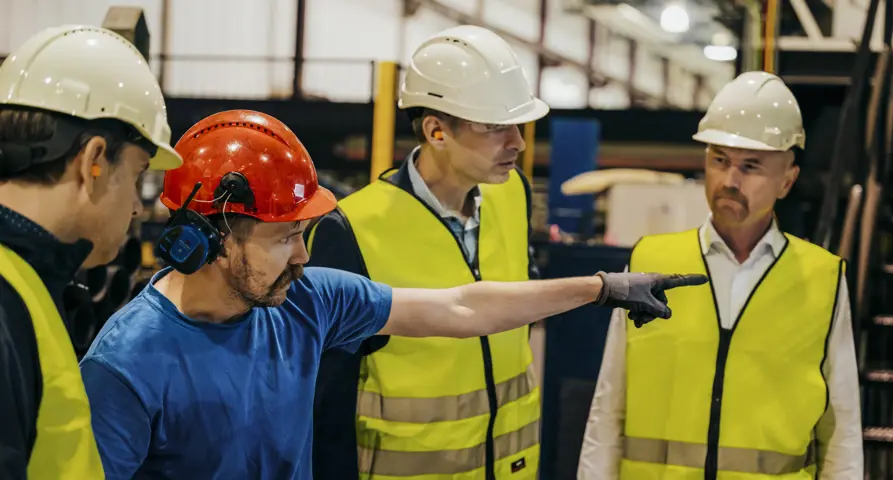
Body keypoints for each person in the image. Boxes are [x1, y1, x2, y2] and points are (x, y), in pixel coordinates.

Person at [77, 108, 706, 479]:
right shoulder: (128, 363)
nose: (303, 255)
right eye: (282, 238)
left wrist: (600, 288)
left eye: (305, 234)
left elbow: (461, 307)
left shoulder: (306, 301)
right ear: (206, 239)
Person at [577, 71, 863, 480]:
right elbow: (609, 406)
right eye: (720, 160)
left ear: (787, 180)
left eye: (751, 166)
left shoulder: (822, 279)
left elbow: (842, 430)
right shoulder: (650, 262)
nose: (730, 181)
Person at [308, 25, 550, 480]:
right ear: (437, 131)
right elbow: (325, 400)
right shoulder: (352, 230)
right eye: (496, 126)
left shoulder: (513, 194)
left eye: (517, 124)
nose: (517, 141)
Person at [0, 25, 182, 479]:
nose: (139, 207)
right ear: (94, 161)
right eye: (139, 175)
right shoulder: (6, 302)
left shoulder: (27, 284)